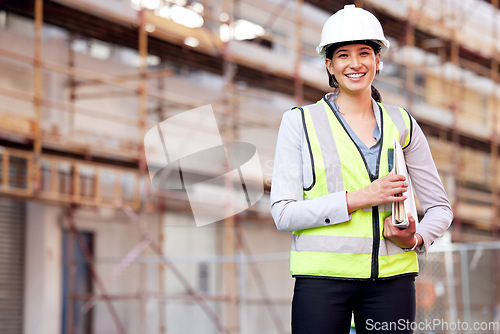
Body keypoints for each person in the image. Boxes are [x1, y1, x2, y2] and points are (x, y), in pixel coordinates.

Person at [270, 4, 453, 334]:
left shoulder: (403, 123)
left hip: (392, 284)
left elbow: (440, 208)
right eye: (343, 55)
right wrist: (359, 198)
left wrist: (416, 239)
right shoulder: (299, 122)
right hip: (323, 282)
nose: (355, 64)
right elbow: (283, 214)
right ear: (329, 64)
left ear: (378, 60)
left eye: (365, 53)